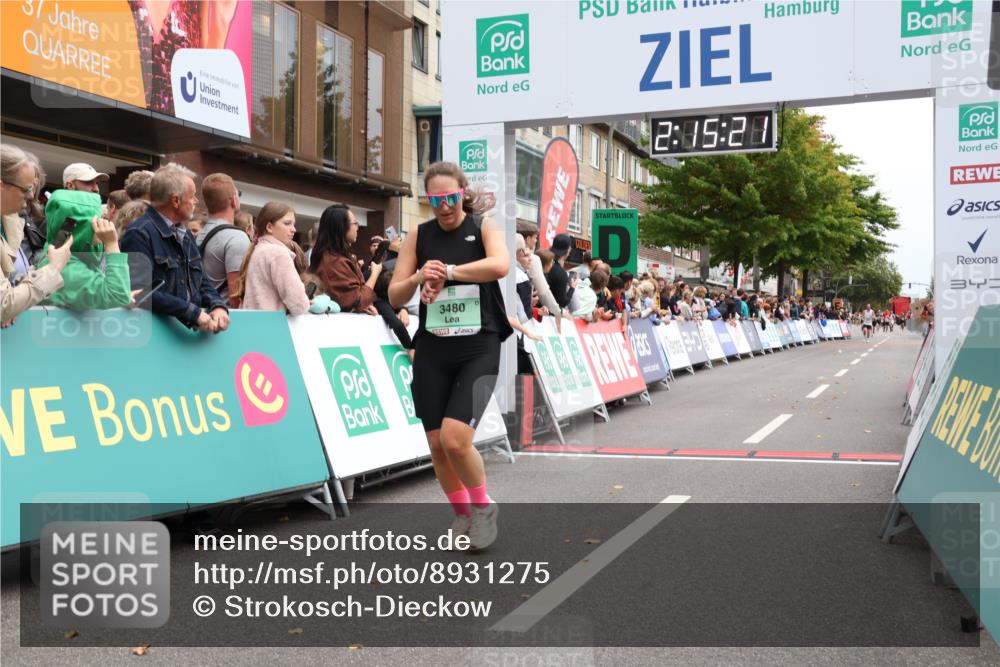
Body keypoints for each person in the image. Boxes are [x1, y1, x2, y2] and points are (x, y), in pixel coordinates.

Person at [388, 161, 511, 552]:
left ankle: (484, 508)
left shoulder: (483, 227)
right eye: (435, 199)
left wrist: (449, 273)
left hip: (479, 346)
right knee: (437, 443)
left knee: (456, 439)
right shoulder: (419, 235)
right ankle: (462, 514)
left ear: (463, 192)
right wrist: (420, 276)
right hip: (433, 348)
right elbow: (394, 294)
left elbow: (500, 265)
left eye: (451, 197)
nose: (444, 206)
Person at [120, 163, 229, 332]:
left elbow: (201, 281)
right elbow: (140, 292)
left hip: (186, 336)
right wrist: (192, 313)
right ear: (176, 200)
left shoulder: (185, 234)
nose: (196, 201)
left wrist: (218, 305)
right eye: (192, 196)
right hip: (157, 336)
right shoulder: (139, 233)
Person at [1, 144, 72, 325]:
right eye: (26, 189)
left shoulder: (10, 225)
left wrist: (16, 303)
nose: (32, 195)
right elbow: (3, 304)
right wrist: (53, 268)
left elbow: (8, 300)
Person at [37, 190, 132, 311]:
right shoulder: (65, 269)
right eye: (96, 220)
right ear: (80, 228)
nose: (103, 222)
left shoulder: (65, 256)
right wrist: (112, 244)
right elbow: (118, 295)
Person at [234, 202, 309, 315]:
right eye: (287, 223)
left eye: (293, 224)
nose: (293, 229)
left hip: (254, 320)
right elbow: (299, 305)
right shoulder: (278, 253)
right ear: (269, 227)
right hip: (273, 322)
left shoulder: (258, 249)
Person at [310, 204, 381, 315]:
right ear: (341, 227)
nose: (357, 227)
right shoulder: (334, 262)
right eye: (355, 223)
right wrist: (375, 274)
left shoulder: (334, 257)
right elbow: (357, 301)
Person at [199, 173, 251, 308]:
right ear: (234, 200)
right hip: (225, 315)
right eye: (238, 194)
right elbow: (236, 296)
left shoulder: (198, 235)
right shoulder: (237, 237)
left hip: (203, 313)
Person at [547, 233, 576, 313]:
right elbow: (562, 302)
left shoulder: (541, 262)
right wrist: (572, 288)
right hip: (550, 314)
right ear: (568, 250)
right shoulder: (561, 273)